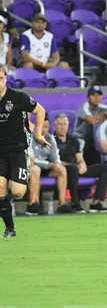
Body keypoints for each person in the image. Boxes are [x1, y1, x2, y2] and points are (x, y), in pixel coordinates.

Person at [0, 66, 49, 236]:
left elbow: (40, 110)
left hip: (18, 149)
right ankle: (10, 228)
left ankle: (6, 200)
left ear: (5, 79)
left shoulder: (17, 97)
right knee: (0, 187)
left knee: (18, 191)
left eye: (0, 78)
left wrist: (38, 133)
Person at [54, 113, 107, 214]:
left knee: (105, 168)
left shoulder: (73, 140)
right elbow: (54, 160)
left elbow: (79, 157)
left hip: (76, 168)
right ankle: (75, 203)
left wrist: (82, 165)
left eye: (64, 124)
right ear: (55, 126)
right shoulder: (52, 140)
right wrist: (75, 166)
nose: (62, 127)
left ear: (68, 125)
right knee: (73, 169)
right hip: (63, 170)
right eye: (60, 124)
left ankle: (96, 203)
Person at [27, 116, 71, 215]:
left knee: (62, 170)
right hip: (31, 168)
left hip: (46, 168)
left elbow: (56, 158)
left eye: (46, 127)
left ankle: (61, 204)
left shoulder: (50, 138)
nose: (44, 129)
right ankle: (33, 204)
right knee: (35, 169)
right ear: (37, 127)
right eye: (42, 126)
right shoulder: (29, 137)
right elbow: (31, 160)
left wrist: (57, 165)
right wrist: (49, 164)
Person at [75, 85, 107, 165]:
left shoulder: (103, 107)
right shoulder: (84, 107)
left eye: (99, 95)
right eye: (93, 95)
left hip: (94, 140)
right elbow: (92, 121)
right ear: (88, 97)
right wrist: (103, 115)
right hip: (81, 138)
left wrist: (106, 114)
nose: (97, 98)